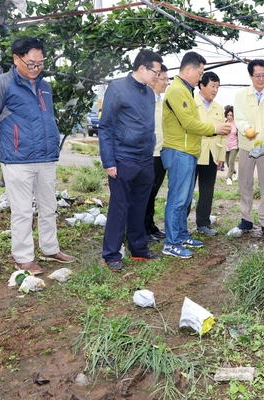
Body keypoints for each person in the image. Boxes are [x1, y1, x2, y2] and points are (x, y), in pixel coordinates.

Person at [0, 37, 75, 275]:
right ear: (16, 58)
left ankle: (50, 249)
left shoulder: (45, 86)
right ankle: (23, 257)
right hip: (17, 160)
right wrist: (1, 148)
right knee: (22, 211)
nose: (35, 68)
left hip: (45, 158)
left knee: (49, 206)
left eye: (40, 63)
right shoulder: (1, 85)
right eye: (31, 63)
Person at [99, 49, 164, 271]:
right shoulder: (117, 89)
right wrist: (109, 161)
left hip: (145, 158)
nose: (158, 76)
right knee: (119, 206)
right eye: (156, 71)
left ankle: (138, 249)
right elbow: (105, 126)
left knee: (140, 205)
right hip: (123, 157)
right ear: (142, 68)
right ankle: (111, 254)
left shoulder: (148, 92)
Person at [161, 51, 231, 258]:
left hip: (189, 151)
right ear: (189, 69)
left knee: (184, 198)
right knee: (177, 199)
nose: (200, 77)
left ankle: (181, 235)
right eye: (199, 73)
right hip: (178, 151)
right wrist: (215, 128)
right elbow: (188, 123)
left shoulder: (185, 91)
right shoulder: (176, 91)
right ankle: (171, 243)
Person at [233, 59, 264, 238]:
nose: (261, 79)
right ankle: (246, 220)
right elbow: (238, 118)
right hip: (247, 146)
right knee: (245, 183)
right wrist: (246, 129)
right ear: (250, 76)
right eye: (257, 76)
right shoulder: (241, 95)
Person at [193, 71, 227, 236]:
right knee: (185, 191)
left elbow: (223, 132)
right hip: (193, 153)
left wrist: (221, 156)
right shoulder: (191, 103)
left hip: (212, 154)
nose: (215, 90)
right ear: (202, 85)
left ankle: (203, 223)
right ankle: (179, 225)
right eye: (212, 86)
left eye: (217, 87)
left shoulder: (218, 107)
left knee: (207, 191)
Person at [143, 64, 169, 244]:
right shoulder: (145, 98)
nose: (166, 83)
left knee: (153, 193)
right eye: (164, 79)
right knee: (145, 194)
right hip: (148, 154)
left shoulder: (161, 100)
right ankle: (142, 229)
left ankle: (150, 225)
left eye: (168, 79)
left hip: (161, 153)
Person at [224, 105, 238, 186]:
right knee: (228, 163)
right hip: (226, 145)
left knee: (231, 161)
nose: (229, 117)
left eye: (231, 115)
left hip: (234, 145)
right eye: (228, 115)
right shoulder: (224, 123)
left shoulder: (236, 124)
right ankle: (235, 172)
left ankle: (229, 178)